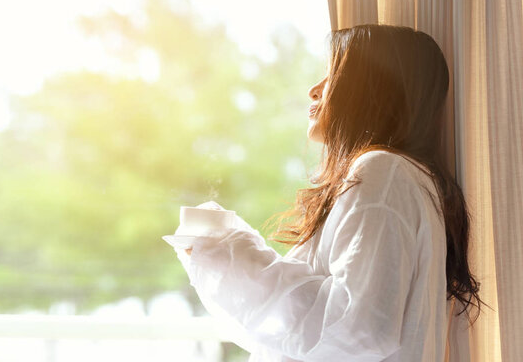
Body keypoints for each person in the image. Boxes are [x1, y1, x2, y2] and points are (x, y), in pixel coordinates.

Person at [165, 24, 487, 362]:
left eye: (333, 75)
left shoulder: (383, 171)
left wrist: (226, 248)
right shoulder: (398, 176)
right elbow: (302, 334)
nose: (314, 90)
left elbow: (359, 328)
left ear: (372, 89)